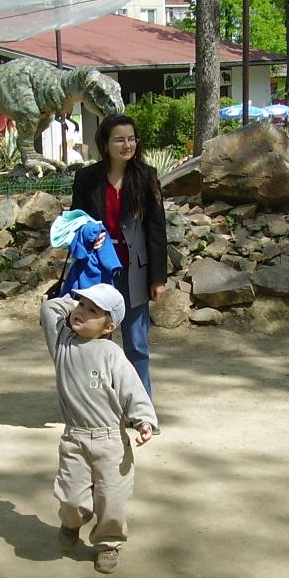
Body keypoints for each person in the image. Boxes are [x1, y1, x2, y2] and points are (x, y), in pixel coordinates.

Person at [40, 283, 158, 574]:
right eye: (81, 304)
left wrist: (144, 420)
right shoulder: (62, 342)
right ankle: (71, 522)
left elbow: (132, 389)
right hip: (74, 437)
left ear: (108, 326)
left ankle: (108, 543)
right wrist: (76, 304)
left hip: (110, 440)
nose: (81, 311)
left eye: (92, 311)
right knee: (70, 496)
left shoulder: (110, 353)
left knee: (111, 498)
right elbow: (49, 308)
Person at [70, 114, 168, 398]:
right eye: (120, 140)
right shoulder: (87, 178)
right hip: (97, 271)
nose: (127, 145)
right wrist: (89, 234)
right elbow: (75, 221)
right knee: (95, 343)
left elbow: (156, 229)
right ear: (105, 143)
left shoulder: (147, 177)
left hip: (135, 271)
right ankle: (98, 403)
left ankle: (141, 406)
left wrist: (158, 278)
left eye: (131, 139)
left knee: (137, 344)